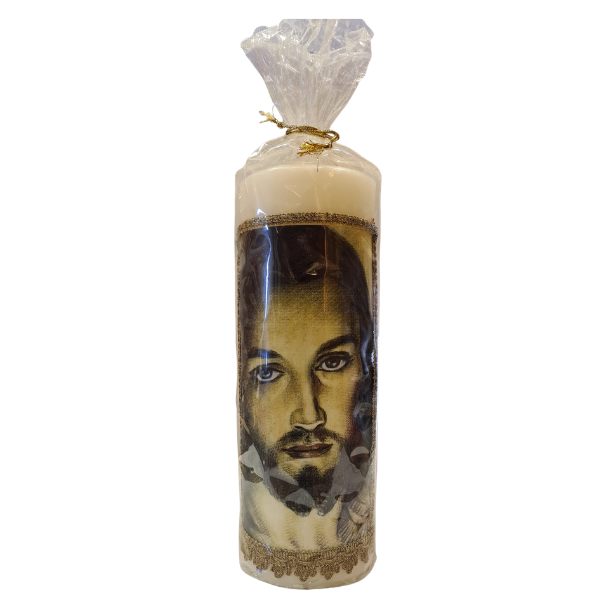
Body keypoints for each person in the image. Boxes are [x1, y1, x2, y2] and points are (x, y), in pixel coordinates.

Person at [238, 224, 374, 550]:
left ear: (365, 372)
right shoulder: (258, 520)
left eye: (332, 363)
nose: (309, 417)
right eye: (268, 373)